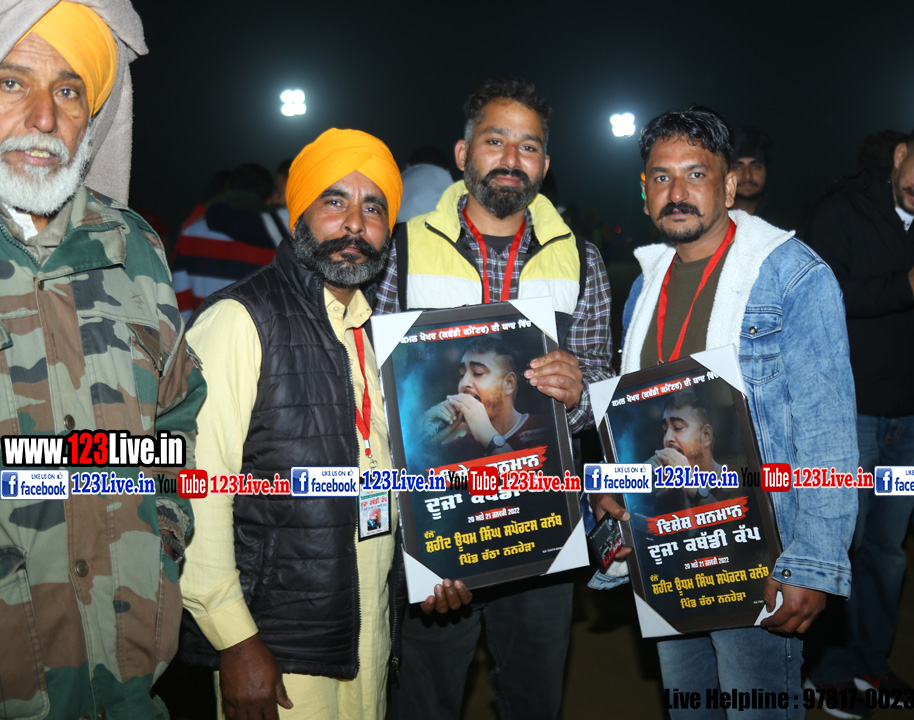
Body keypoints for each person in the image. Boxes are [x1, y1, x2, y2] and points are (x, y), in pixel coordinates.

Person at [178, 128, 454, 720]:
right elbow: (195, 490)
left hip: (366, 631)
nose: (355, 225)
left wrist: (434, 564)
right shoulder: (240, 320)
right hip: (278, 648)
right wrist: (235, 640)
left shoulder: (376, 335)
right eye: (334, 201)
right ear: (297, 212)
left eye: (374, 208)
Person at [598, 105, 859, 719]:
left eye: (696, 174)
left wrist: (813, 564)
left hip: (758, 553)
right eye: (661, 177)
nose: (677, 192)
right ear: (643, 192)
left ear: (731, 185)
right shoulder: (644, 285)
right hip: (667, 550)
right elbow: (637, 411)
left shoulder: (792, 276)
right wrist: (619, 484)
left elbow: (827, 431)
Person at [376, 76, 614, 720]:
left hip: (541, 524)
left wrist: (578, 390)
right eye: (495, 141)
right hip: (436, 526)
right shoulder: (398, 250)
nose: (512, 158)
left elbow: (599, 382)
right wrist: (419, 539)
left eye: (528, 146)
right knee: (424, 702)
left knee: (534, 700)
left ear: (545, 164)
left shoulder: (583, 259)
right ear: (463, 153)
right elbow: (375, 389)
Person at [0, 2, 206, 717]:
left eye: (69, 90)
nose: (43, 117)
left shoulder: (135, 248)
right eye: (11, 82)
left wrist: (165, 531)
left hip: (129, 682)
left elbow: (176, 418)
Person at [803, 108, 914, 710]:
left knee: (885, 554)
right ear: (903, 153)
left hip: (911, 418)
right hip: (846, 414)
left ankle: (870, 664)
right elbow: (817, 299)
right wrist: (904, 287)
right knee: (839, 546)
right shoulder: (843, 209)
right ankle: (828, 668)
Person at [171, 162, 291, 320]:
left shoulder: (192, 232)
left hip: (199, 330)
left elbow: (179, 295)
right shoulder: (280, 242)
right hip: (254, 332)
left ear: (230, 190)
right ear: (267, 198)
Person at [423, 337, 549, 459]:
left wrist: (490, 439)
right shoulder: (463, 445)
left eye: (477, 373)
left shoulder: (543, 429)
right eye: (462, 374)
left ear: (509, 383)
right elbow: (424, 468)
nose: (464, 383)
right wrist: (428, 444)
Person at [729, 125, 801, 233]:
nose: (747, 175)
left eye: (755, 166)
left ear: (766, 170)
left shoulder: (787, 225)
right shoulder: (712, 219)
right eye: (738, 167)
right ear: (726, 172)